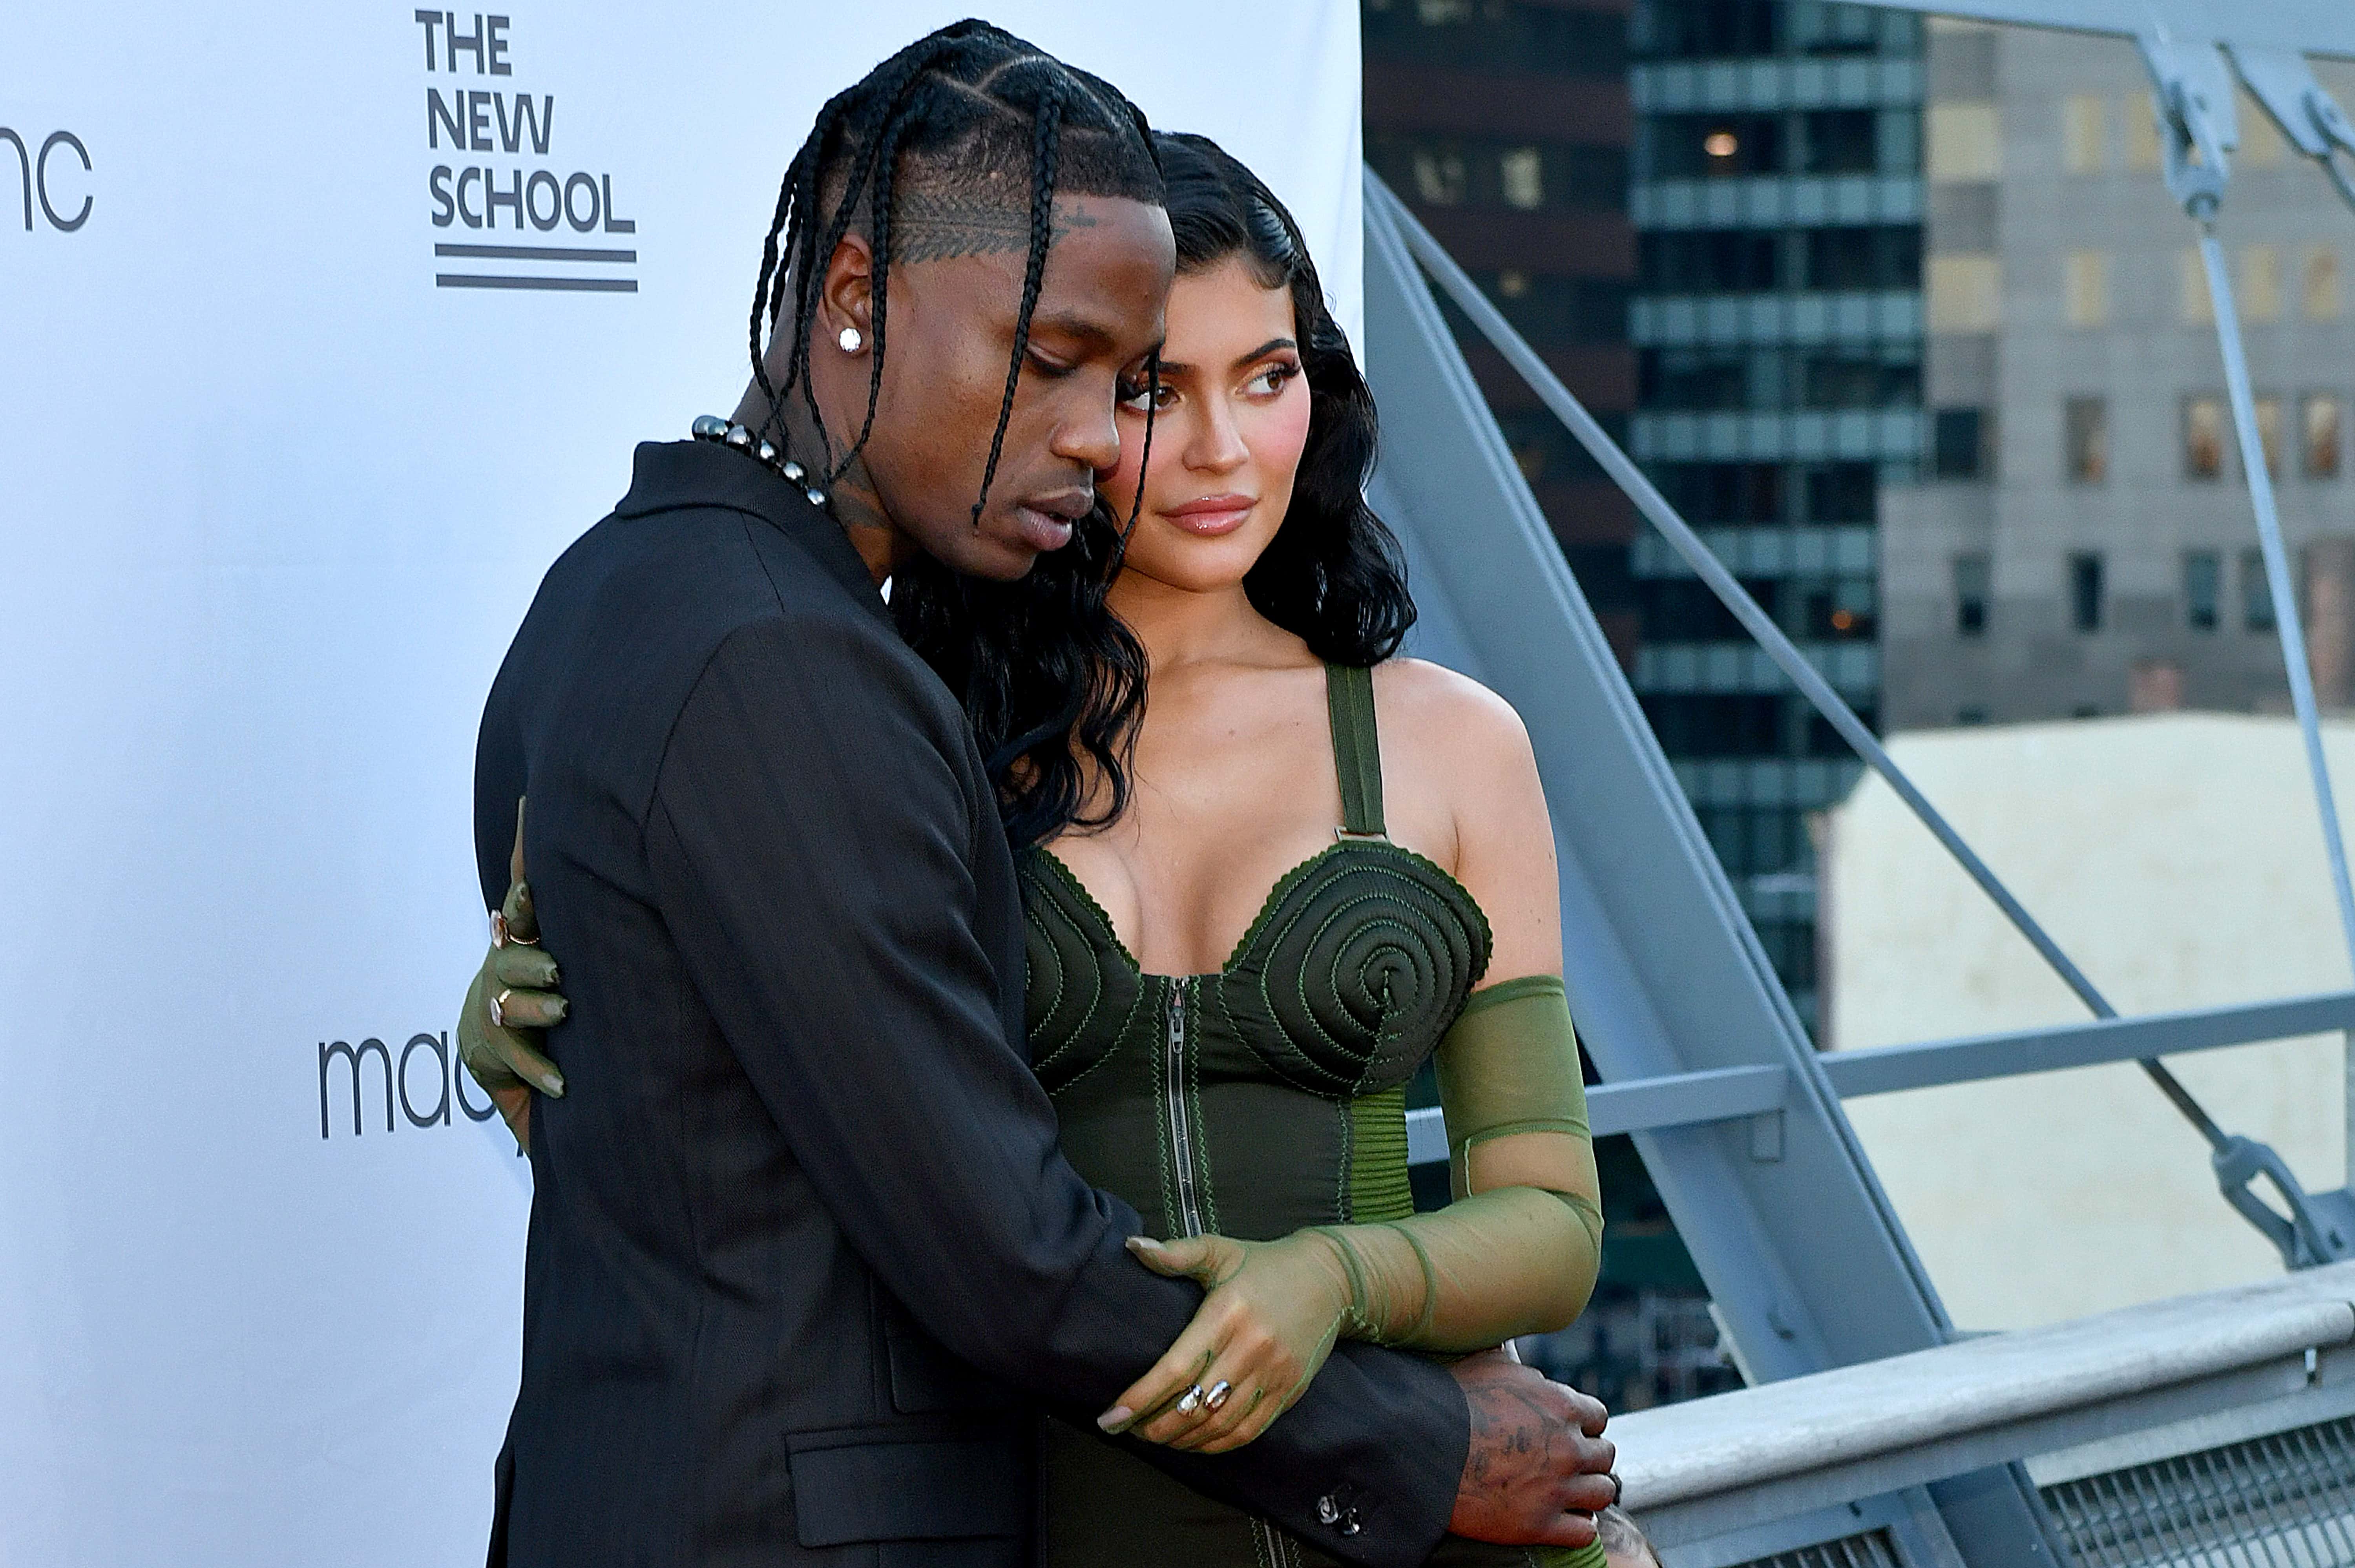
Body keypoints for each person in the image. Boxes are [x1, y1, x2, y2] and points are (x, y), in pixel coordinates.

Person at [458, 21, 1615, 1568]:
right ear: (860, 302)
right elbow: (997, 1250)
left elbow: (1548, 1206)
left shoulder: (629, 596)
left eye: (1255, 376)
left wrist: (1349, 1283)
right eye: (1079, 369)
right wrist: (1419, 1458)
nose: (1118, 433)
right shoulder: (828, 678)